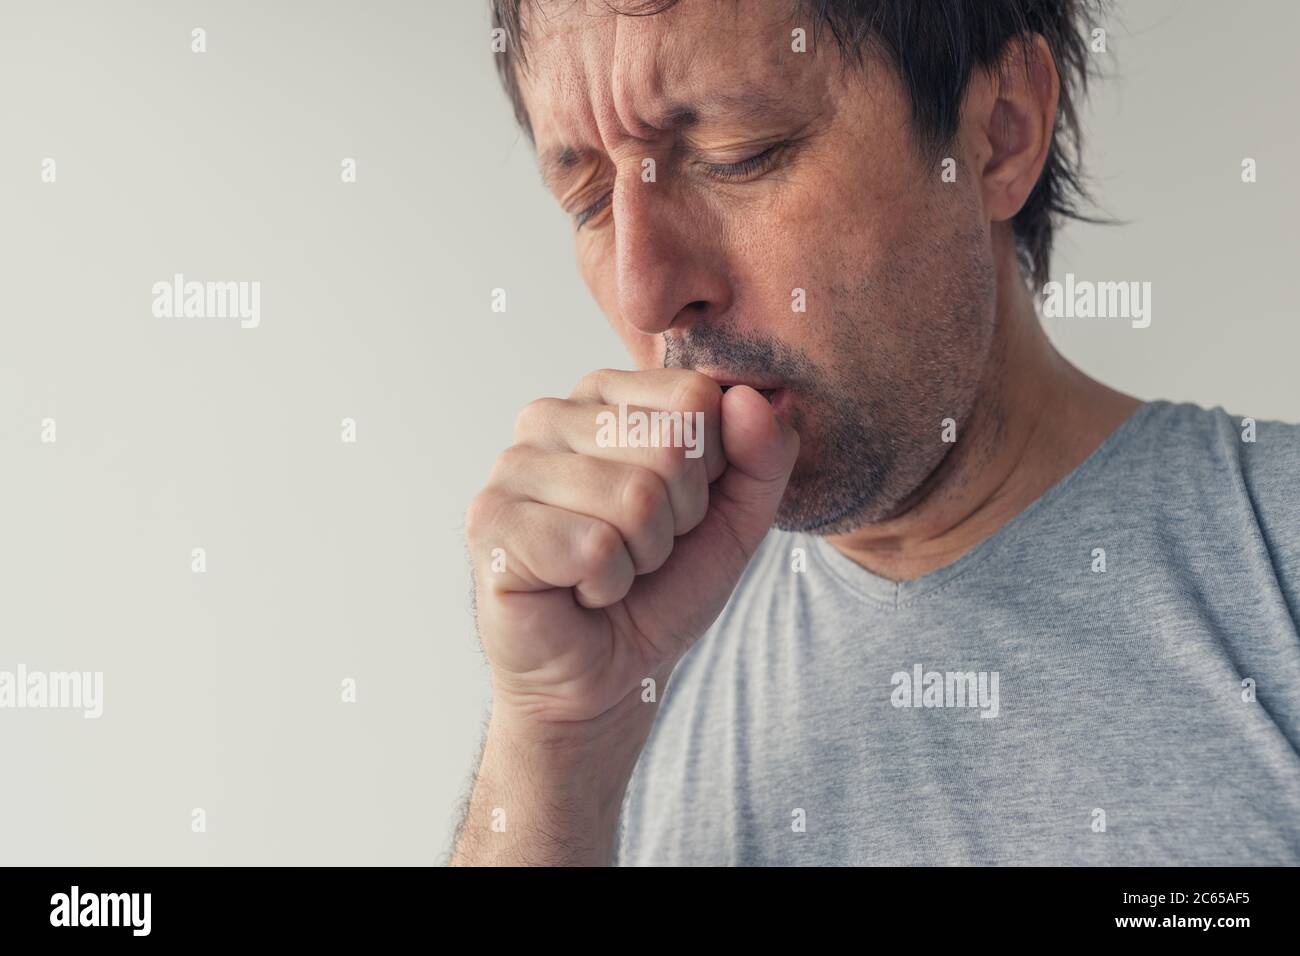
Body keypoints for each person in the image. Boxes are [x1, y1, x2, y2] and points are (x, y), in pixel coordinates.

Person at [449, 0, 1300, 865]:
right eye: (590, 199)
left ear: (1001, 131)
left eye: (734, 154)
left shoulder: (1277, 560)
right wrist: (553, 746)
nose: (646, 292)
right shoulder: (619, 646)